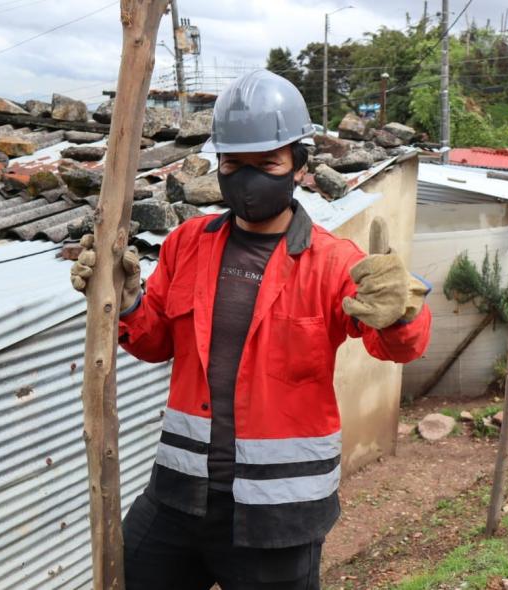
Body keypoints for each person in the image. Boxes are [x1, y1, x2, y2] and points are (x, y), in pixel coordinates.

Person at [70, 69, 432, 589]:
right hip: (178, 495)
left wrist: (402, 312)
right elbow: (154, 342)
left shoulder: (334, 263)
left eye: (267, 163)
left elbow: (398, 348)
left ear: (298, 167)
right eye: (234, 164)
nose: (248, 177)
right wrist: (126, 303)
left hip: (279, 513)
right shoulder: (187, 243)